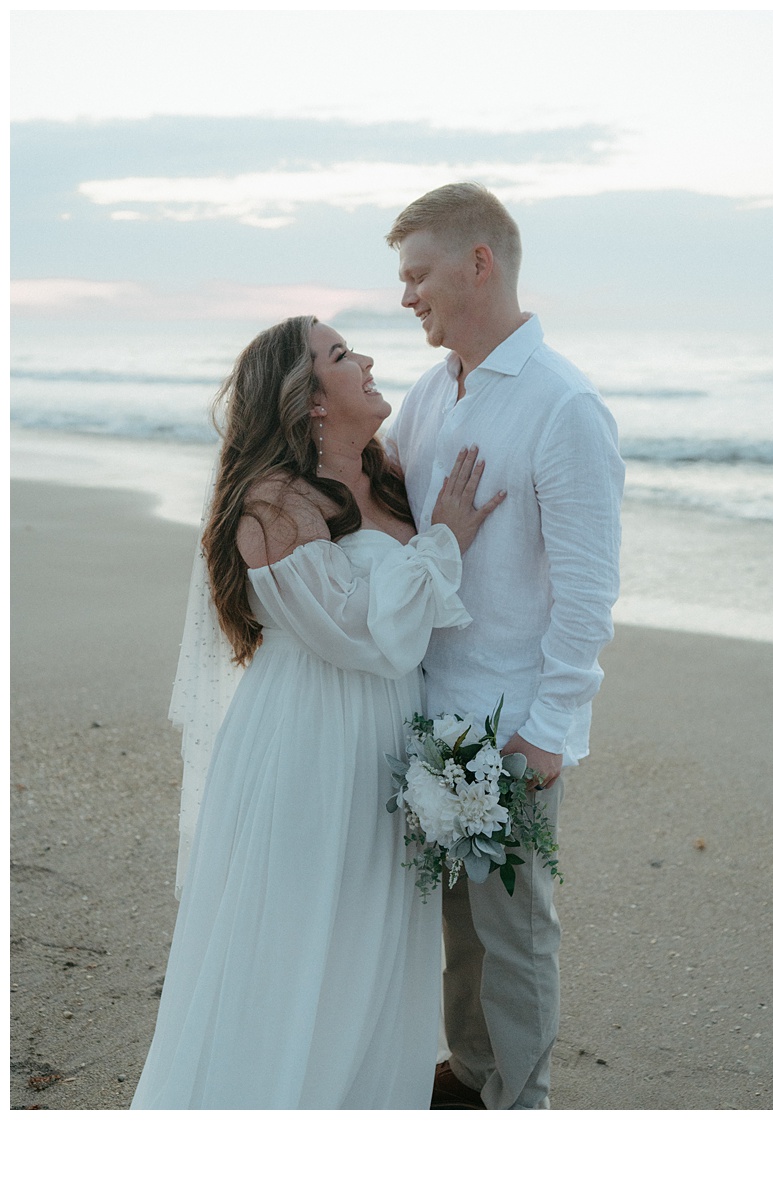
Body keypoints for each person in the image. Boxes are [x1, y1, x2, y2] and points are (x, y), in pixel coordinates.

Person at [130, 315, 505, 1109]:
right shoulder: (273, 504)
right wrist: (444, 544)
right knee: (295, 940)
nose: (366, 360)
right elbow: (356, 634)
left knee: (372, 939)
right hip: (310, 739)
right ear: (309, 402)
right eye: (341, 356)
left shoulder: (389, 469)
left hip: (387, 738)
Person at [385, 183, 625, 1110]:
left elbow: (588, 589)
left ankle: (521, 1108)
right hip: (433, 705)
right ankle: (472, 1072)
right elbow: (385, 498)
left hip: (511, 721)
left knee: (517, 931)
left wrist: (551, 726)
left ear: (478, 262)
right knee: (459, 921)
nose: (408, 296)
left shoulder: (564, 407)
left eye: (419, 274)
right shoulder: (430, 387)